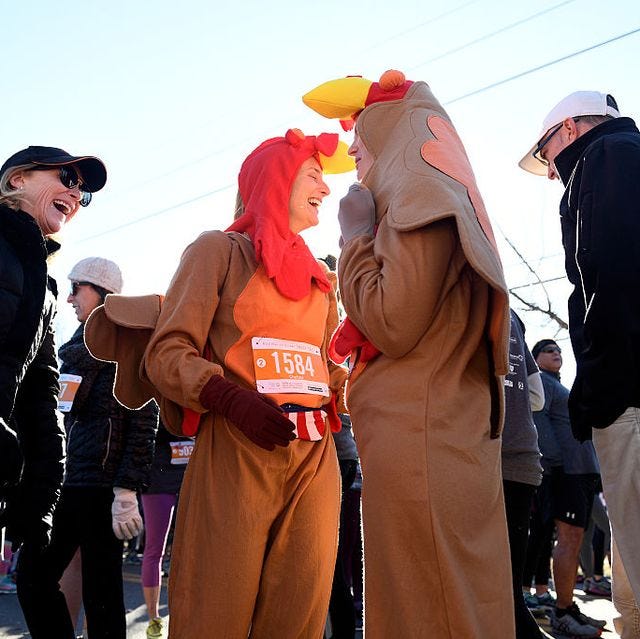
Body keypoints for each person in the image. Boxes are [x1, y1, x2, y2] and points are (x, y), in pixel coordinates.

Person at [303, 70, 515, 637]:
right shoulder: (440, 189)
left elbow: (392, 321)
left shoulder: (416, 193)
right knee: (453, 594)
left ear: (392, 135)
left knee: (425, 600)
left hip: (418, 432)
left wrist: (353, 240)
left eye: (359, 143)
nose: (352, 155)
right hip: (441, 425)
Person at [139, 129, 351, 638]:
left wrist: (370, 396)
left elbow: (333, 370)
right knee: (215, 609)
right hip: (235, 449)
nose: (326, 189)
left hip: (316, 459)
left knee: (299, 614)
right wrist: (227, 397)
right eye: (314, 175)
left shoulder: (325, 280)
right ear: (276, 180)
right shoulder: (218, 251)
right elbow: (165, 353)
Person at [520, 91, 640, 637]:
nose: (549, 172)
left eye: (546, 155)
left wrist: (596, 377)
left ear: (568, 128)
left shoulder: (608, 159)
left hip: (629, 387)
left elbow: (607, 272)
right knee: (630, 572)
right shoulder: (622, 153)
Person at [16, 257, 159, 639]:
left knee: (104, 597)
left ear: (101, 291)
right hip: (66, 484)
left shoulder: (128, 347)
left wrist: (127, 489)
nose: (69, 298)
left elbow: (144, 421)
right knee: (33, 577)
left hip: (104, 491)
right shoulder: (71, 350)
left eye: (76, 287)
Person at [0, 146, 106, 626]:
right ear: (17, 179)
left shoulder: (44, 287)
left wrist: (41, 494)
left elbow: (41, 400)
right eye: (67, 176)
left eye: (82, 191)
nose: (75, 192)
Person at [530, 339, 604, 638]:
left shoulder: (561, 385)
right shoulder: (543, 383)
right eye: (548, 350)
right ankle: (561, 612)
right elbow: (540, 420)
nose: (556, 353)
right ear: (535, 359)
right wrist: (555, 464)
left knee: (575, 539)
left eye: (558, 349)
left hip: (583, 471)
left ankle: (567, 604)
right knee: (568, 537)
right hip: (566, 471)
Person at [501, 311, 551, 639]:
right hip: (524, 454)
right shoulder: (511, 314)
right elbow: (537, 396)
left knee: (492, 583)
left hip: (486, 453)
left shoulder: (464, 293)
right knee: (510, 582)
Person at [141, 421, 192, 638]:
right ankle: (154, 620)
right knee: (154, 551)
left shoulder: (199, 394)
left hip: (192, 477)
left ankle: (187, 619)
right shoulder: (159, 396)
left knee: (194, 552)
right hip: (158, 480)